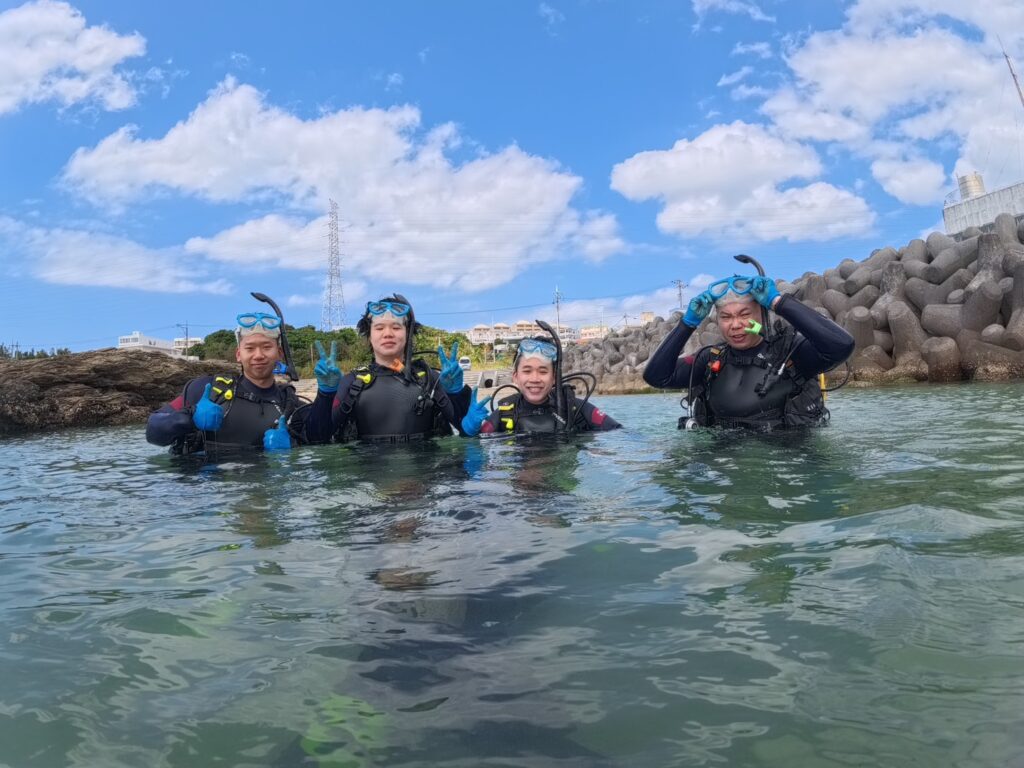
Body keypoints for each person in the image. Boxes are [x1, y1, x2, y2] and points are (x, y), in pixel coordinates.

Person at [643, 274, 854, 429]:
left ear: (763, 316)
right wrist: (687, 324)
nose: (735, 325)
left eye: (744, 314)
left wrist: (778, 302)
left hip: (784, 473)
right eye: (726, 317)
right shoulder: (711, 359)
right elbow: (656, 377)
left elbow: (841, 345)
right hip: (721, 474)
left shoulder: (791, 354)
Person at [304, 294, 471, 443]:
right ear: (369, 336)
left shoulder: (428, 379)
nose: (388, 333)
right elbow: (317, 437)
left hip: (424, 476)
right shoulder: (353, 383)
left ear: (408, 334)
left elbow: (467, 429)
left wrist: (456, 394)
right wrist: (326, 393)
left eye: (396, 327)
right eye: (379, 328)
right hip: (368, 476)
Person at [146, 311, 305, 453]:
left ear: (279, 353)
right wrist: (190, 417)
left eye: (266, 347)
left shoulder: (290, 405)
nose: (258, 355)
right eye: (249, 348)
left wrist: (291, 449)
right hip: (202, 484)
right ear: (238, 354)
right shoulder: (208, 390)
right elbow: (153, 432)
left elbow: (321, 442)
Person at [461, 335, 621, 436]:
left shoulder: (576, 410)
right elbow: (474, 451)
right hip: (520, 488)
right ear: (515, 377)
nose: (535, 378)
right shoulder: (504, 414)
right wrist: (469, 433)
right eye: (527, 370)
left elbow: (620, 433)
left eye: (543, 371)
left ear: (554, 378)